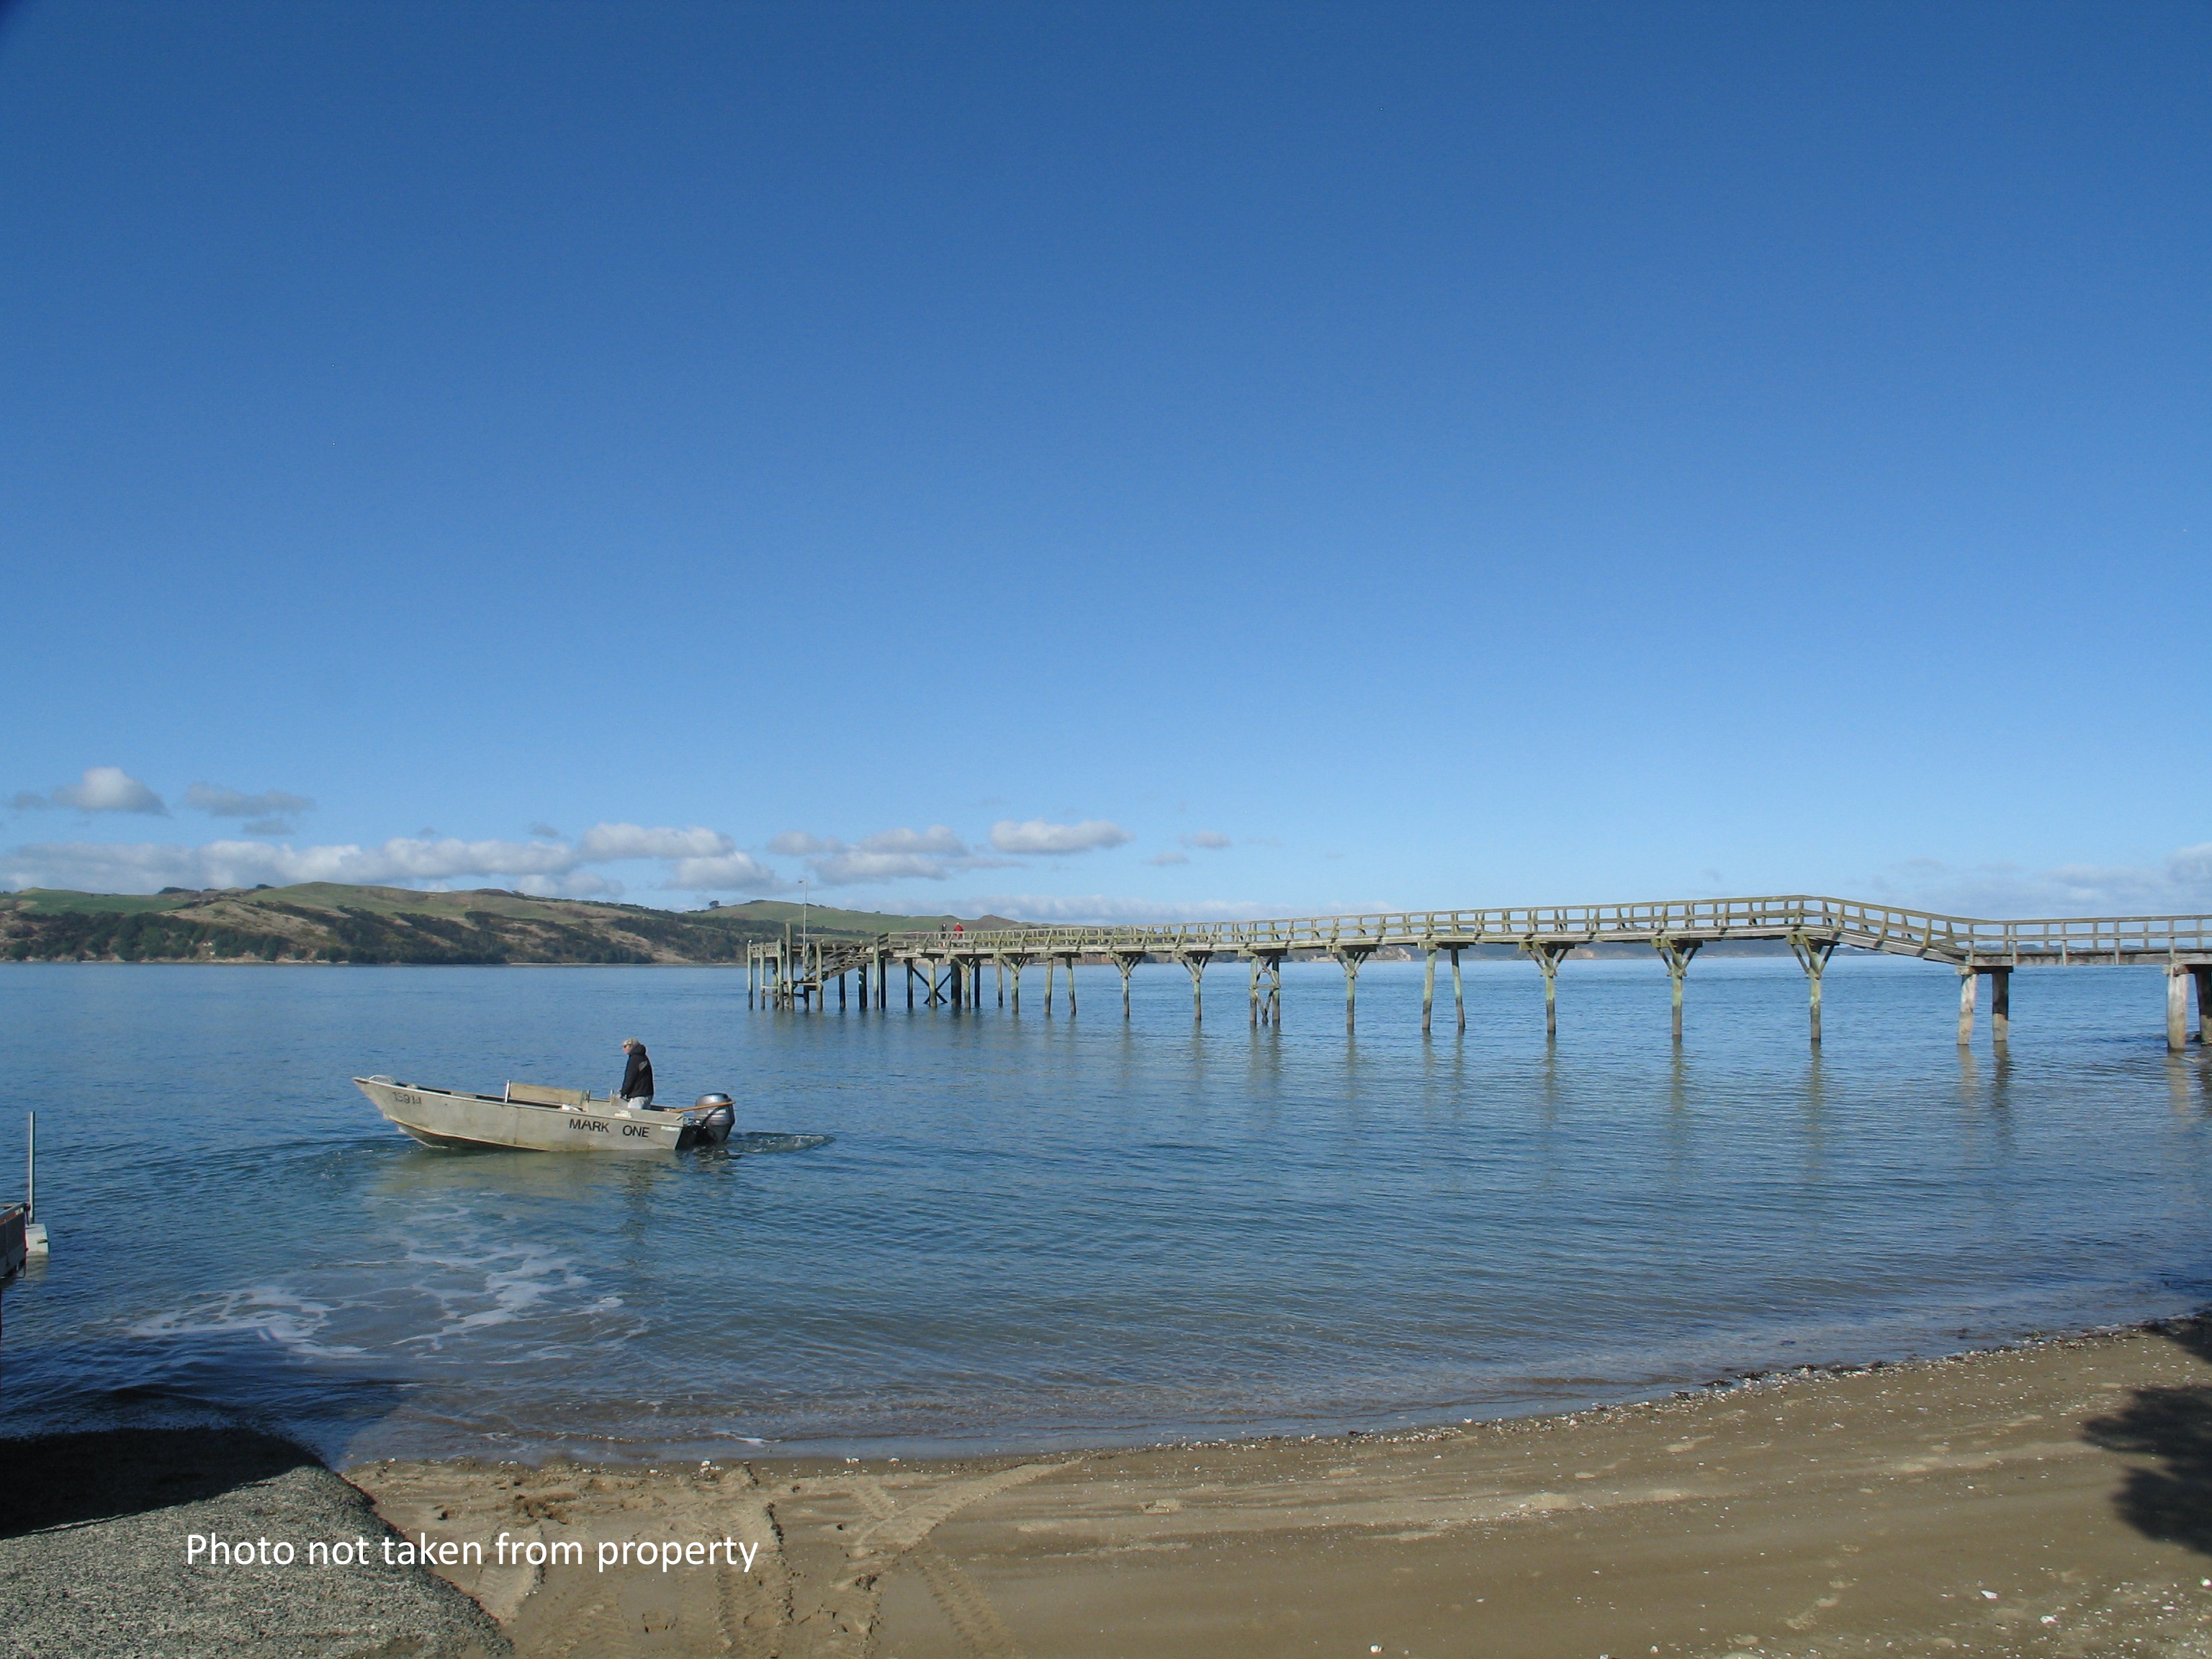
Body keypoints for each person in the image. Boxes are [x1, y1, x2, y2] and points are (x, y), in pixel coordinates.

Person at [618, 1038, 655, 1109]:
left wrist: (623, 1093)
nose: (623, 1049)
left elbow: (630, 1078)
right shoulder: (644, 1057)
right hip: (648, 1095)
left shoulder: (634, 1059)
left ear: (631, 1046)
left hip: (638, 1097)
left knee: (631, 1115)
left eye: (625, 1046)